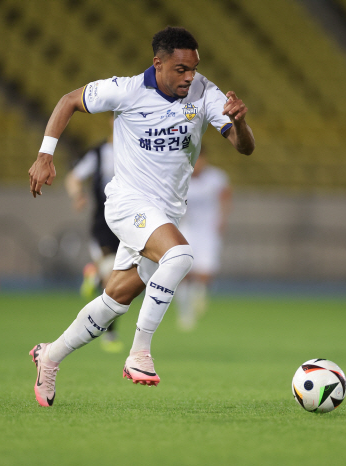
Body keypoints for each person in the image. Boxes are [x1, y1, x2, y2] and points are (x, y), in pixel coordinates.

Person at [27, 26, 254, 407]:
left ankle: (49, 356)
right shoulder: (127, 90)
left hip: (165, 215)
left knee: (116, 297)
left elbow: (243, 147)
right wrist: (45, 155)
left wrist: (240, 121)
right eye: (181, 69)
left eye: (194, 68)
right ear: (158, 63)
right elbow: (68, 100)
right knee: (180, 256)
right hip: (127, 203)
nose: (189, 76)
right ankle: (139, 353)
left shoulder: (204, 92)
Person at [64, 124, 123, 353]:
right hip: (103, 225)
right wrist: (78, 195)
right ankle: (110, 335)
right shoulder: (98, 153)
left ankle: (93, 274)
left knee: (125, 280)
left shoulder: (138, 149)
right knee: (113, 281)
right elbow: (74, 177)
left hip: (130, 224)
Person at [175, 148, 232, 330]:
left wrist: (222, 218)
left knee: (205, 274)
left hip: (207, 231)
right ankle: (185, 314)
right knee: (183, 272)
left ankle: (198, 298)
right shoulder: (180, 177)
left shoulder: (216, 177)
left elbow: (225, 196)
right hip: (186, 229)